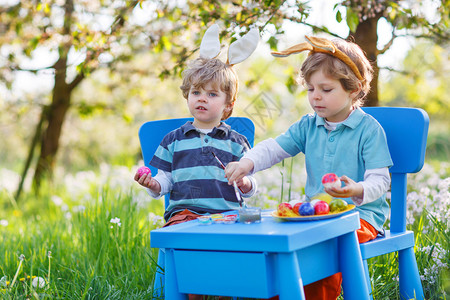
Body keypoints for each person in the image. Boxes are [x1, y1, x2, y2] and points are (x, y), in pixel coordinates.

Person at [225, 36, 393, 300]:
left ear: (354, 89)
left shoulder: (369, 130)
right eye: (310, 89)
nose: (316, 97)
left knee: (326, 245)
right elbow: (275, 147)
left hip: (360, 218)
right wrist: (247, 162)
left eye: (326, 90)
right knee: (281, 240)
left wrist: (357, 189)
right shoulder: (308, 125)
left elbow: (381, 180)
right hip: (316, 215)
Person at [135, 25, 260, 228]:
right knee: (181, 235)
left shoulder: (237, 142)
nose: (202, 98)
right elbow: (166, 180)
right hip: (185, 215)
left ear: (228, 105)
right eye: (196, 92)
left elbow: (252, 186)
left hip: (228, 216)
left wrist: (244, 183)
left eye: (212, 94)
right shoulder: (173, 140)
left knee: (242, 237)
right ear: (187, 94)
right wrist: (154, 185)